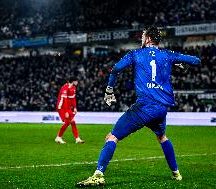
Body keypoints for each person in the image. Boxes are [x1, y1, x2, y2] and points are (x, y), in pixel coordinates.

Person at [76, 26, 201, 187]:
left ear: (148, 39)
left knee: (112, 136)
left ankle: (98, 174)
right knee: (162, 137)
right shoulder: (168, 55)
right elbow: (196, 61)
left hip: (145, 107)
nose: (141, 39)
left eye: (143, 36)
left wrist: (109, 90)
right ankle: (176, 173)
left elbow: (116, 69)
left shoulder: (135, 54)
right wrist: (177, 62)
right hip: (161, 108)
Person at [55, 77, 85, 144]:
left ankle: (77, 139)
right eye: (76, 81)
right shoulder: (65, 88)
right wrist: (66, 111)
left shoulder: (73, 88)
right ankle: (58, 137)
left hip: (68, 107)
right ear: (73, 81)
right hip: (62, 107)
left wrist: (74, 107)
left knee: (72, 122)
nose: (77, 82)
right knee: (68, 122)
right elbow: (64, 100)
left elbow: (73, 98)